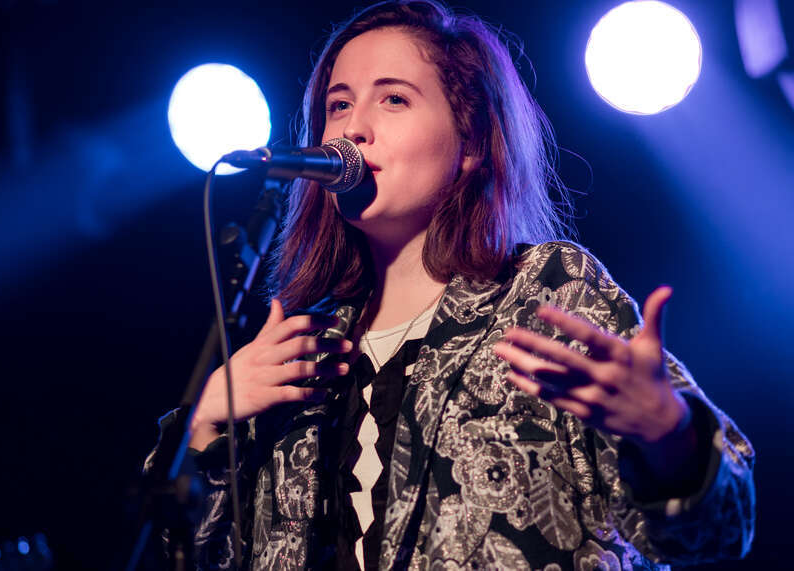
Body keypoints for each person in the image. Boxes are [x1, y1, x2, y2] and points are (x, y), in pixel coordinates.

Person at [149, 1, 755, 569]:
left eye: (393, 100)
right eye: (338, 105)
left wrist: (669, 434)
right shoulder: (300, 348)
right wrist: (206, 425)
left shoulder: (548, 292)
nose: (352, 129)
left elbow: (721, 530)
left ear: (468, 142)